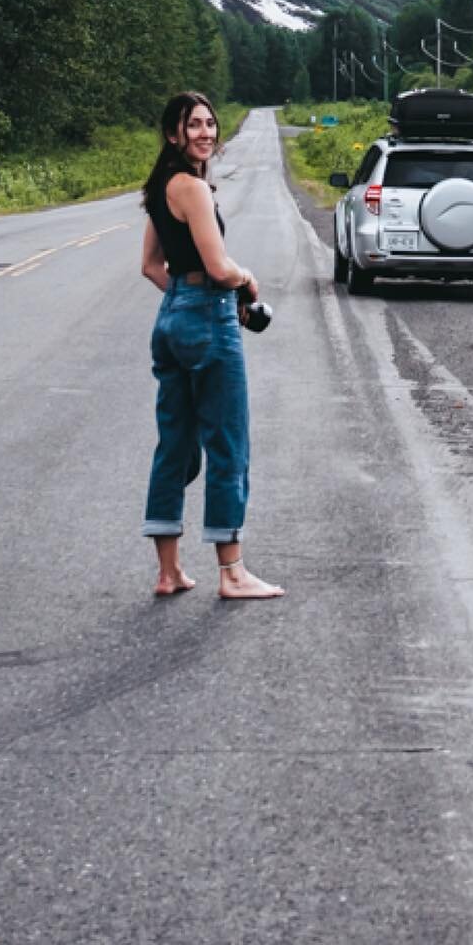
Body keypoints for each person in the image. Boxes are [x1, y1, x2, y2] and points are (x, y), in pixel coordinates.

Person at [140, 91, 284, 601]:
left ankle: (169, 571)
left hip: (171, 319)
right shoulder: (194, 190)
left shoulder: (160, 188)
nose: (205, 133)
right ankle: (233, 573)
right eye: (193, 125)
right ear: (173, 134)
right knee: (227, 443)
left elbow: (152, 267)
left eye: (209, 124)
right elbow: (219, 267)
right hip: (209, 318)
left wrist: (185, 301)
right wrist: (246, 281)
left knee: (174, 444)